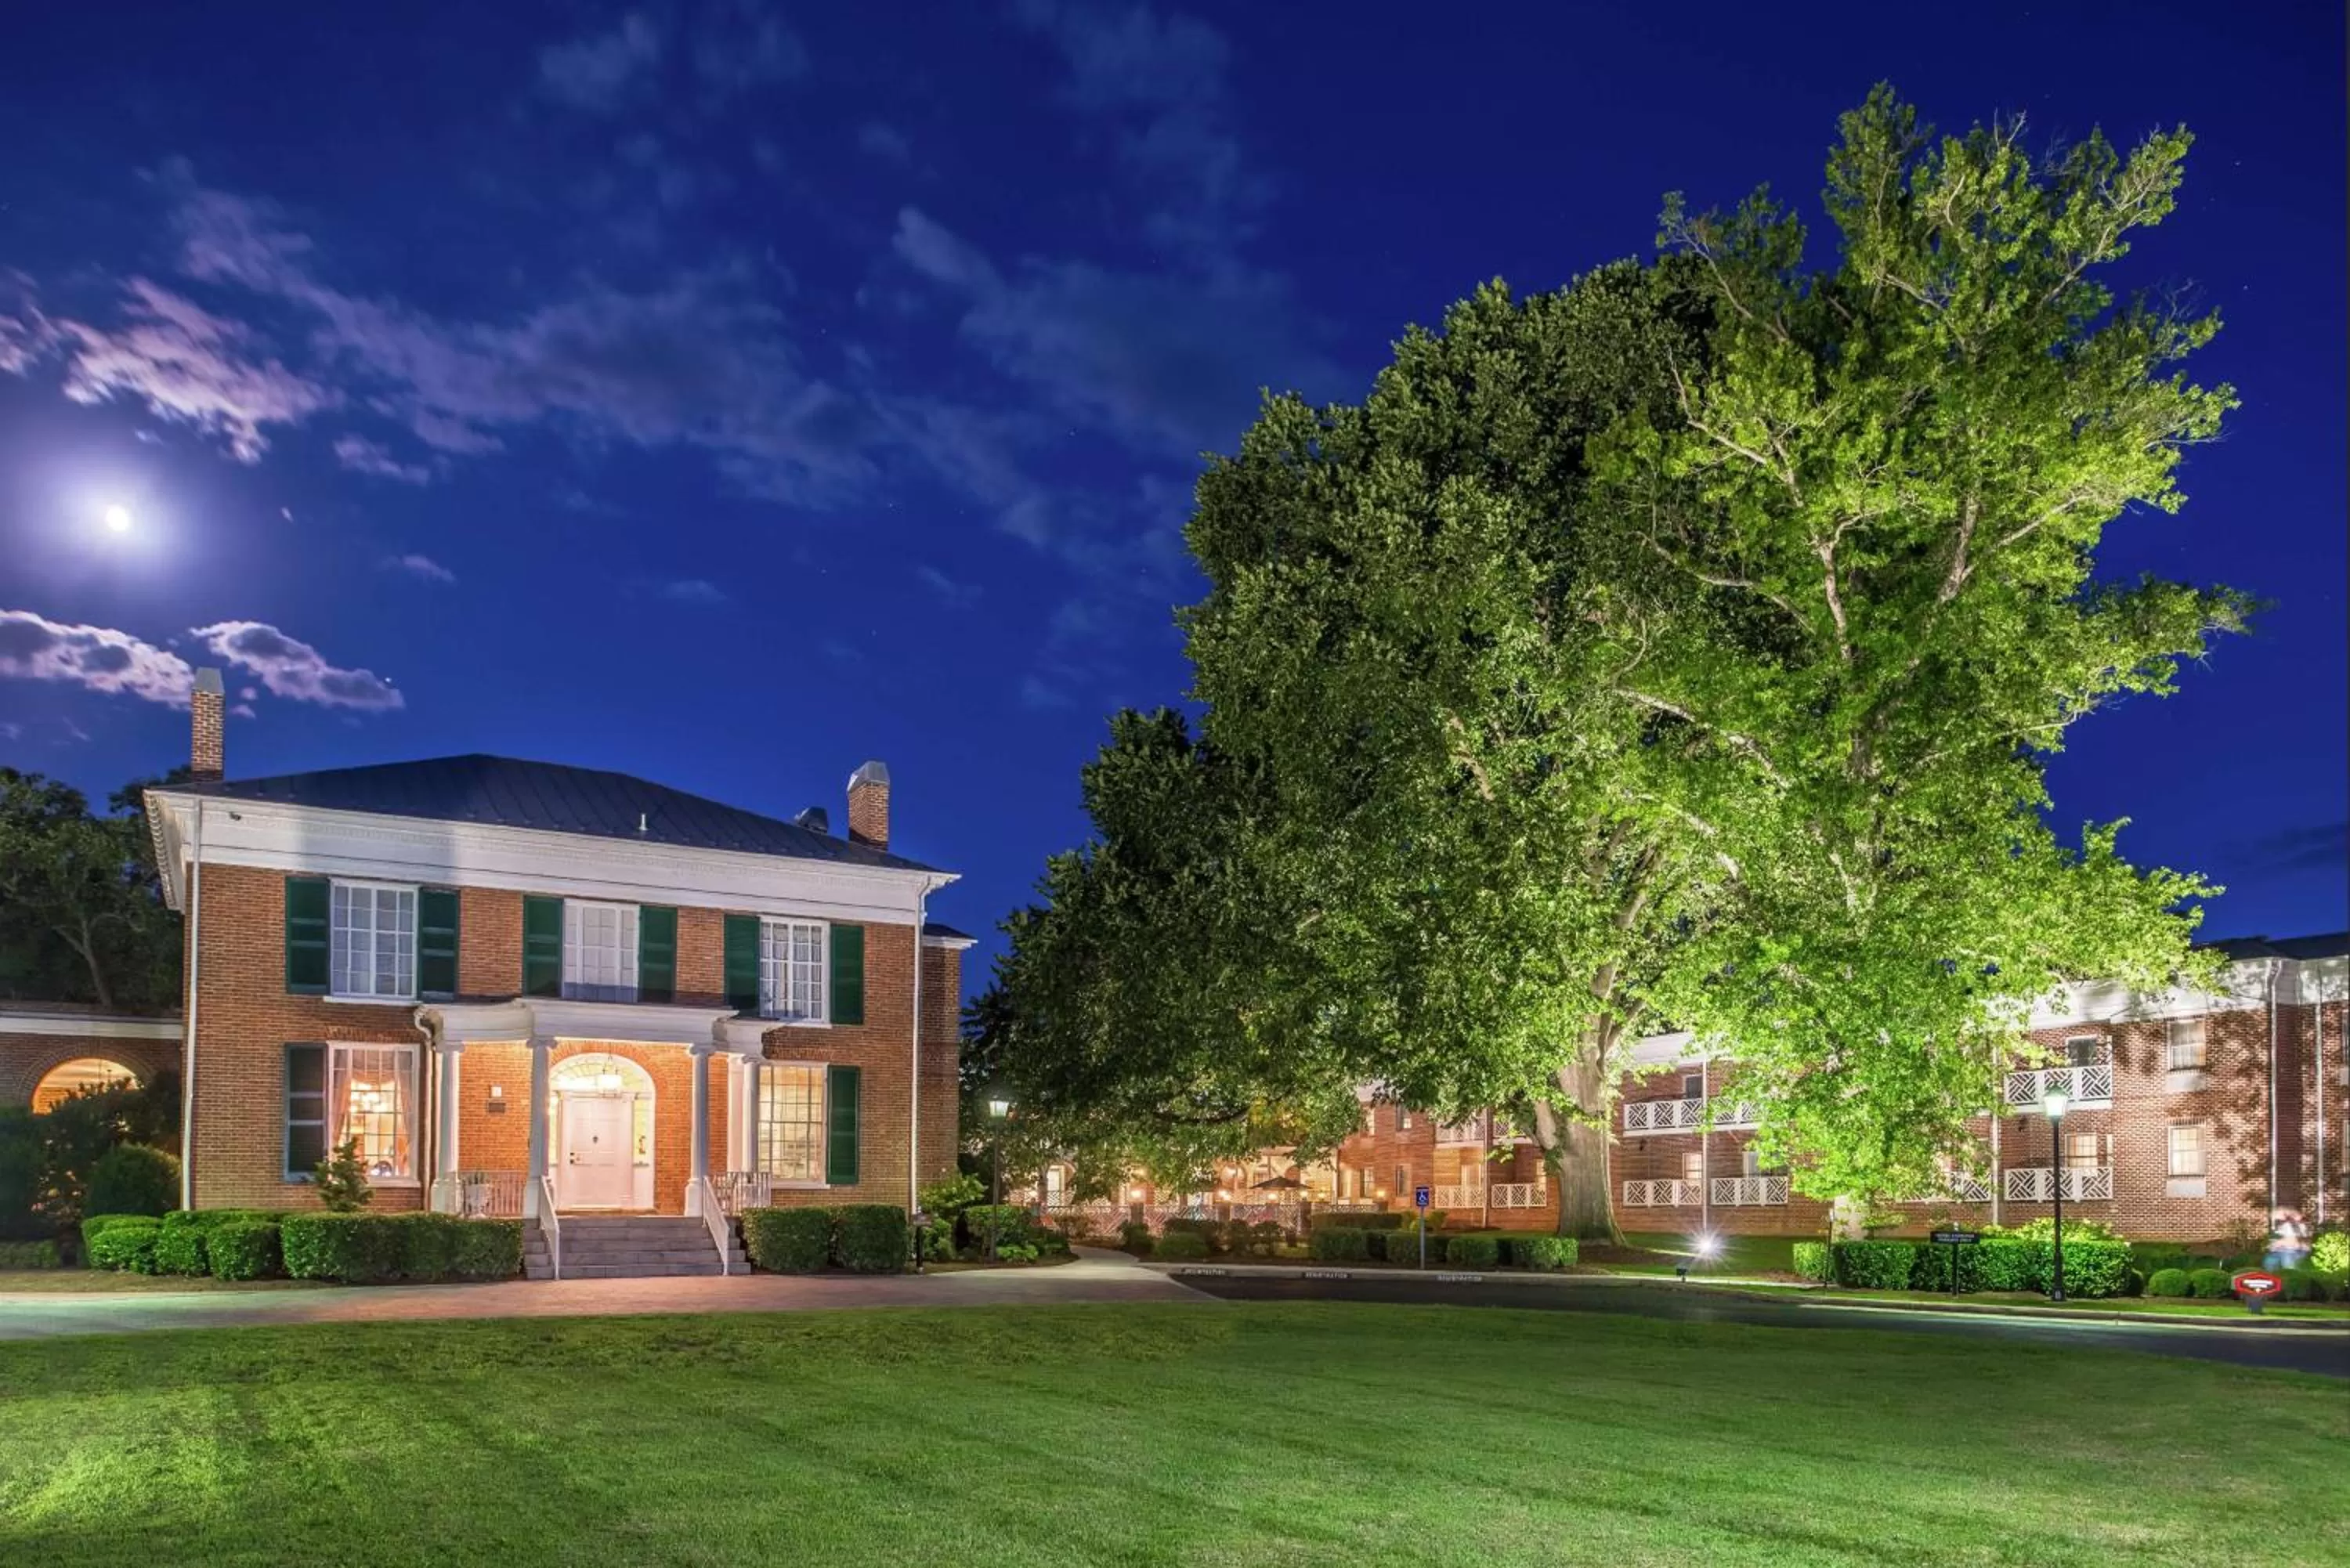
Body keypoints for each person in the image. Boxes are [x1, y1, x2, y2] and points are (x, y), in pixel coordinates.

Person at [2262, 1206, 2311, 1273]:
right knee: (2270, 1264)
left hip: (2289, 1251)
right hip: (2283, 1251)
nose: (2276, 1220)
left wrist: (2277, 1243)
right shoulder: (2287, 1225)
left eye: (2277, 1217)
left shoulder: (2293, 1224)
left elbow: (2294, 1241)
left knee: (2289, 1271)